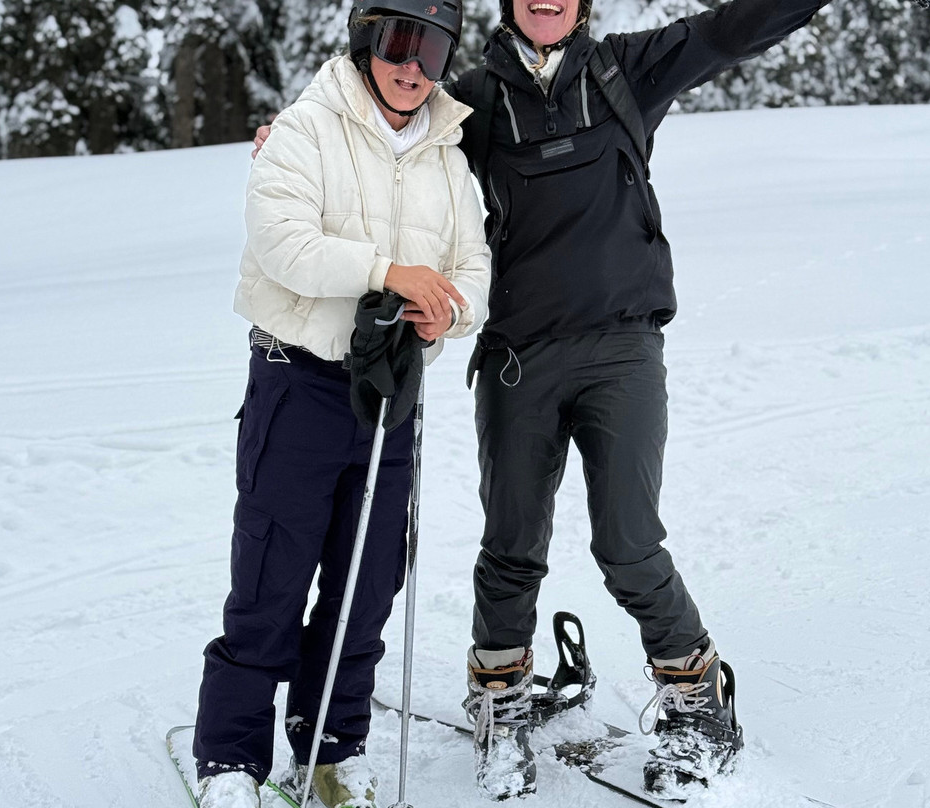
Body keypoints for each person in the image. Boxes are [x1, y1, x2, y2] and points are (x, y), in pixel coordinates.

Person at [255, 0, 832, 800]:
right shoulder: (470, 99)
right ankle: (500, 703)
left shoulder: (628, 69)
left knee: (629, 543)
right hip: (518, 358)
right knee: (512, 544)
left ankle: (695, 695)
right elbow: (387, 151)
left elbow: (731, 31)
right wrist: (292, 140)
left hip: (621, 347)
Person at [193, 1, 489, 807]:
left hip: (392, 392)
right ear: (367, 42)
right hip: (298, 381)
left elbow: (473, 270)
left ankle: (330, 745)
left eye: (431, 49)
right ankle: (231, 759)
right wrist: (393, 272)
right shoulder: (305, 129)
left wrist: (451, 308)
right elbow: (282, 243)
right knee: (272, 575)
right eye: (399, 43)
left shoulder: (448, 157)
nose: (412, 66)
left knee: (367, 585)